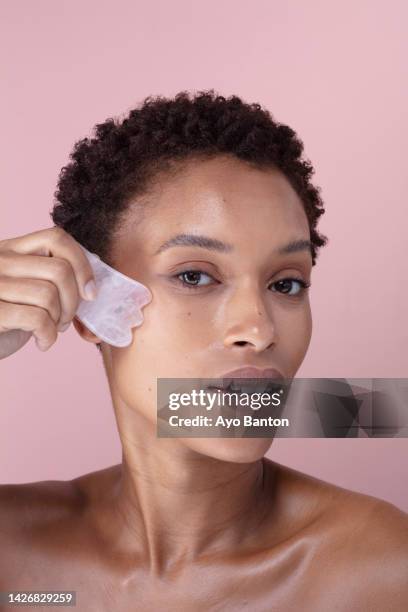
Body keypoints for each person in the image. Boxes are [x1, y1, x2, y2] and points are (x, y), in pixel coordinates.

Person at [0, 90, 407, 611]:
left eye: (286, 284)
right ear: (92, 304)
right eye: (195, 276)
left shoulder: (379, 568)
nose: (258, 331)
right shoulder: (13, 554)